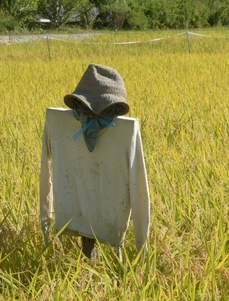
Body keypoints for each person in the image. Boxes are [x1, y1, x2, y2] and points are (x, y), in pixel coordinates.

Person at [39, 64, 150, 258]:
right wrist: (142, 248)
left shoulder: (60, 122)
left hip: (75, 216)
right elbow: (140, 192)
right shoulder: (58, 124)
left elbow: (139, 188)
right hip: (108, 220)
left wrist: (46, 226)